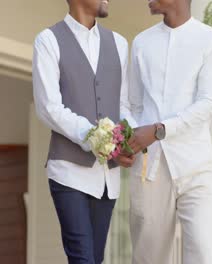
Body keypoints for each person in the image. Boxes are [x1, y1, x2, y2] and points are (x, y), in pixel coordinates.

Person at [32, 0, 137, 263]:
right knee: (82, 258)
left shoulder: (120, 44)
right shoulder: (48, 40)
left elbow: (123, 104)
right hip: (68, 172)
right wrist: (98, 140)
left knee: (96, 258)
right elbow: (48, 108)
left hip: (106, 179)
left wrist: (125, 141)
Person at [126, 0, 212, 263]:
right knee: (149, 257)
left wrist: (160, 130)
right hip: (150, 166)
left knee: (202, 253)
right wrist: (129, 138)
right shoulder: (141, 42)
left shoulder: (211, 40)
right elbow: (133, 104)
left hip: (197, 166)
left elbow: (207, 103)